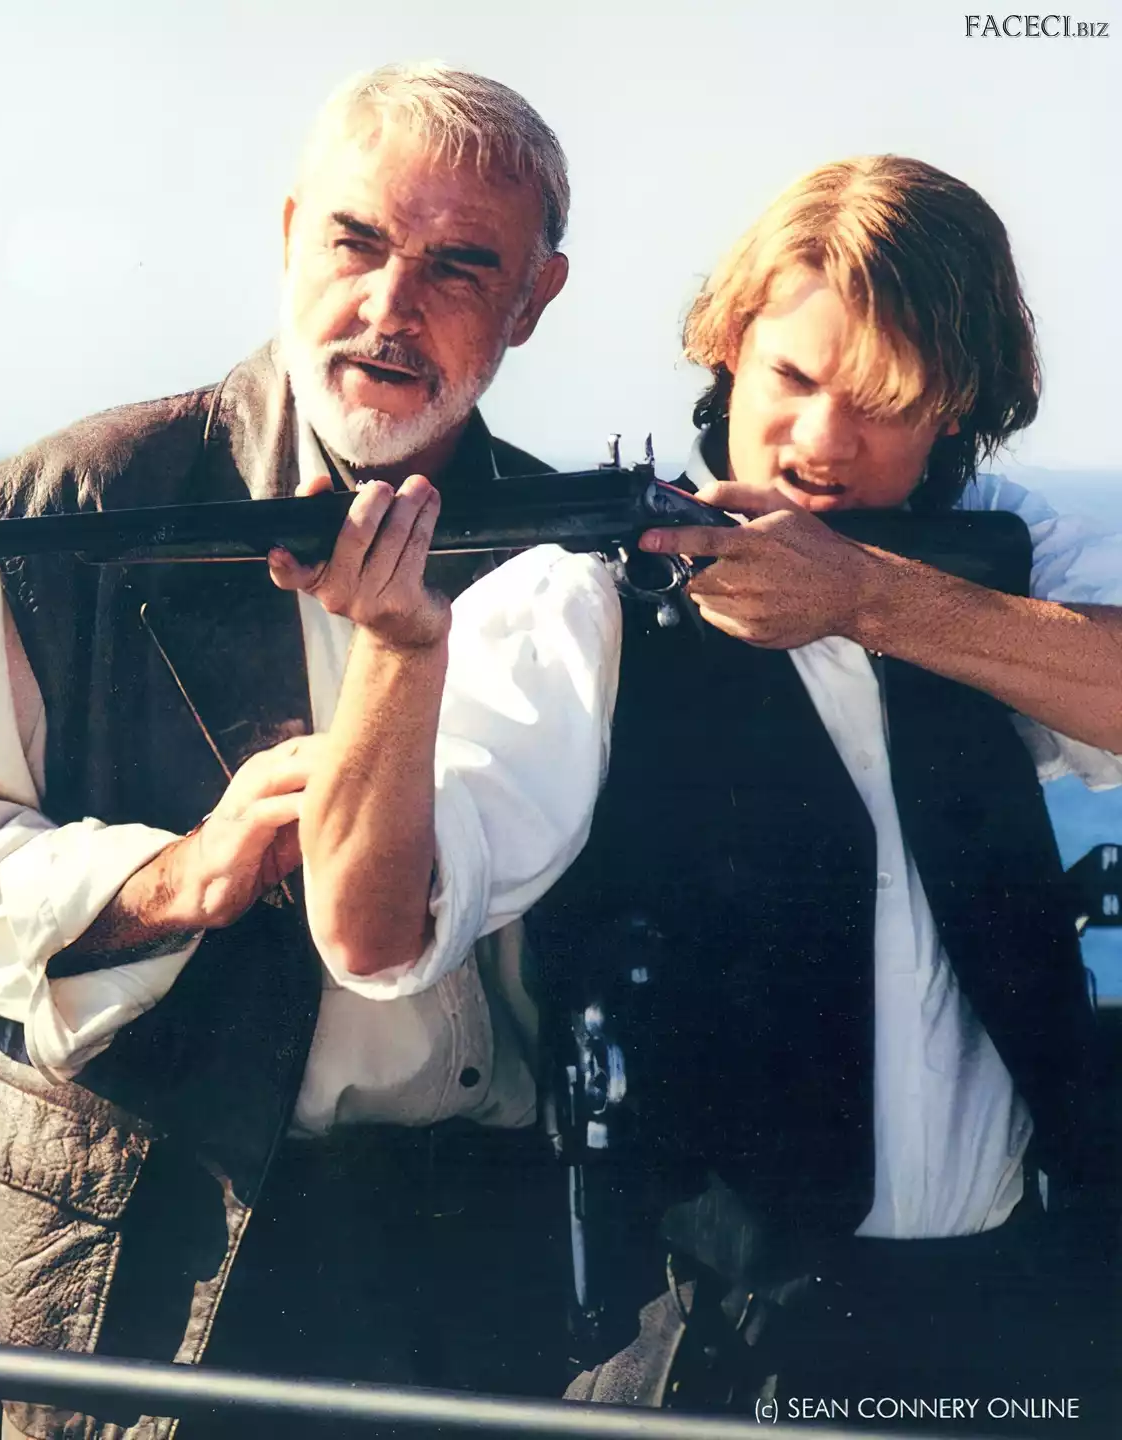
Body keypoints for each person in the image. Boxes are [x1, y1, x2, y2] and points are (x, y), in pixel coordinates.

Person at [0, 62, 577, 1440]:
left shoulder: (561, 549)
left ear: (534, 301)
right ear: (290, 234)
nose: (390, 306)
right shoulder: (81, 504)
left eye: (460, 267)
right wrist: (173, 877)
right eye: (356, 241)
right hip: (143, 1251)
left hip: (474, 1249)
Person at [366, 154, 1117, 1424]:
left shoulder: (1008, 546)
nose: (824, 442)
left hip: (1022, 1300)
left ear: (962, 409)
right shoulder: (584, 598)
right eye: (794, 379)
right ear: (728, 349)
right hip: (721, 1338)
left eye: (885, 401)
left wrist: (871, 599)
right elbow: (392, 934)